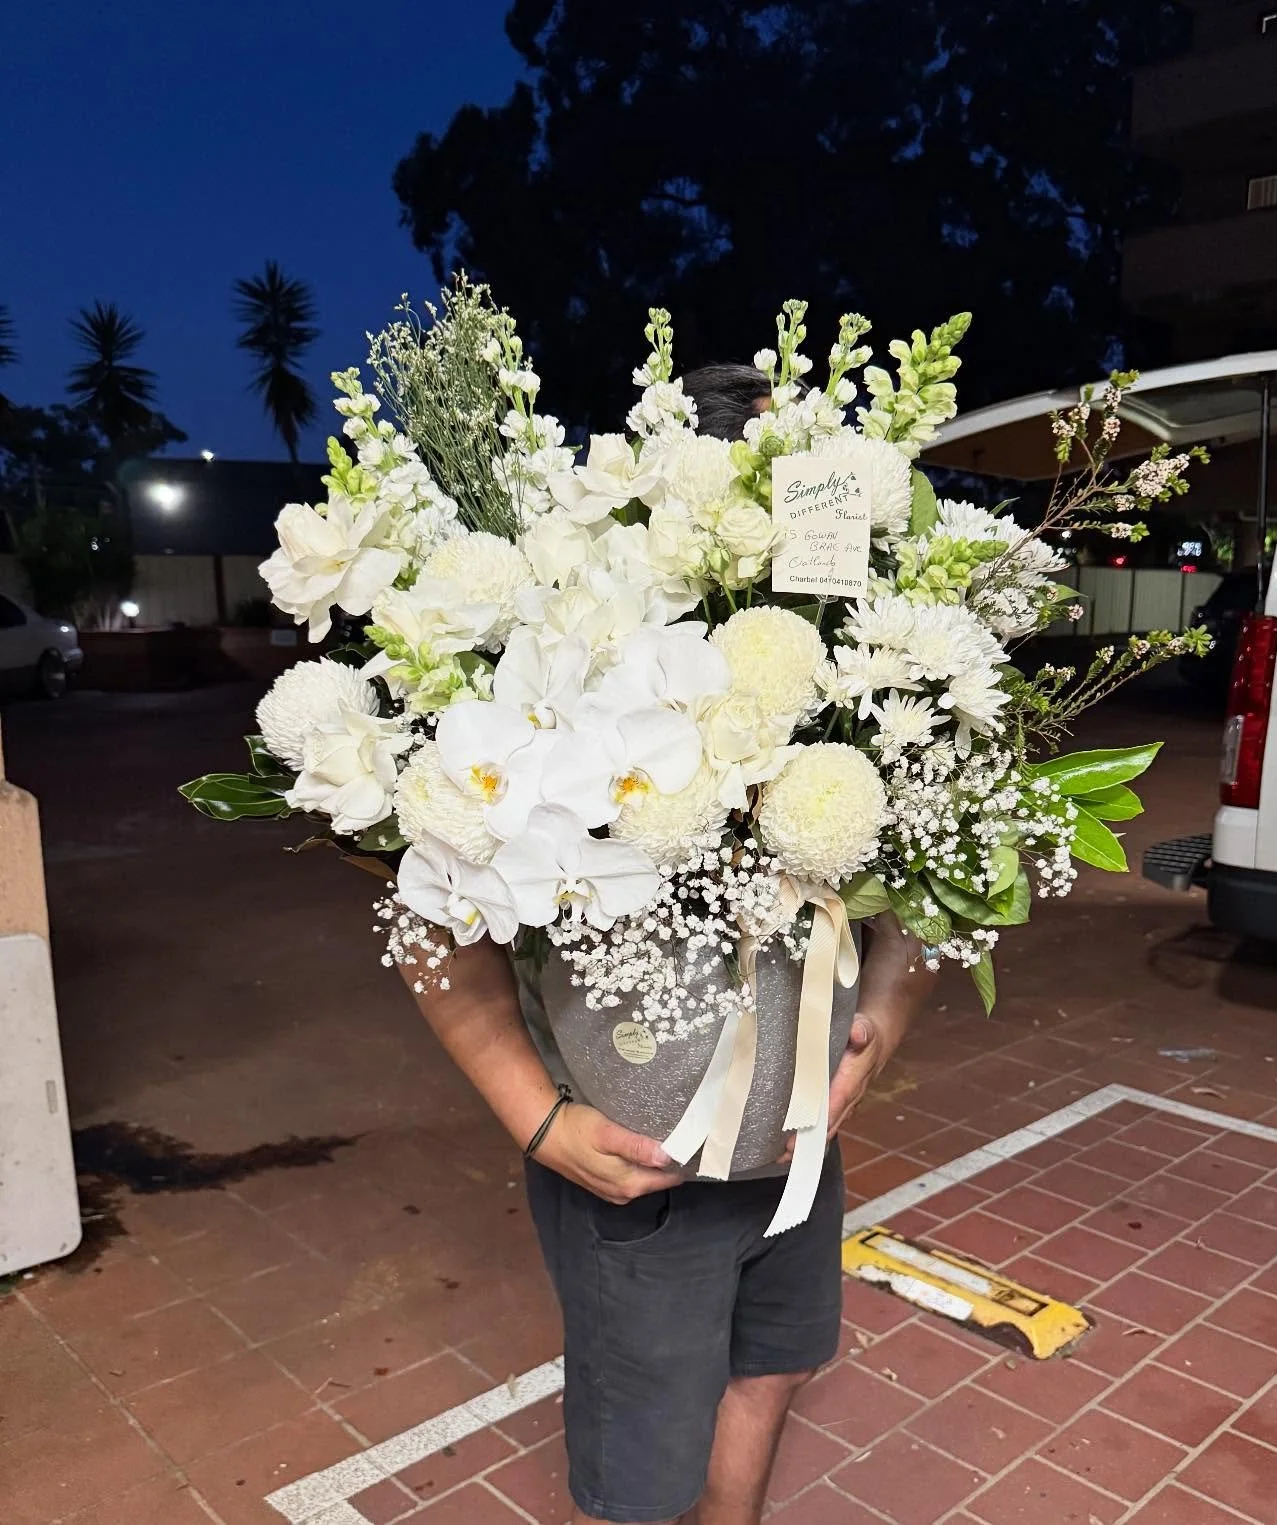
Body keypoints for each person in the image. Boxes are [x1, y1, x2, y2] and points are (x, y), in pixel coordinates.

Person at [410, 365, 938, 1525]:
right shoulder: (566, 690)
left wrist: (878, 1031)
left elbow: (926, 904)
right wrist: (536, 1118)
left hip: (797, 1155)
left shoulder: (853, 683)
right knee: (642, 1462)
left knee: (776, 1365)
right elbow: (433, 928)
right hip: (635, 1181)